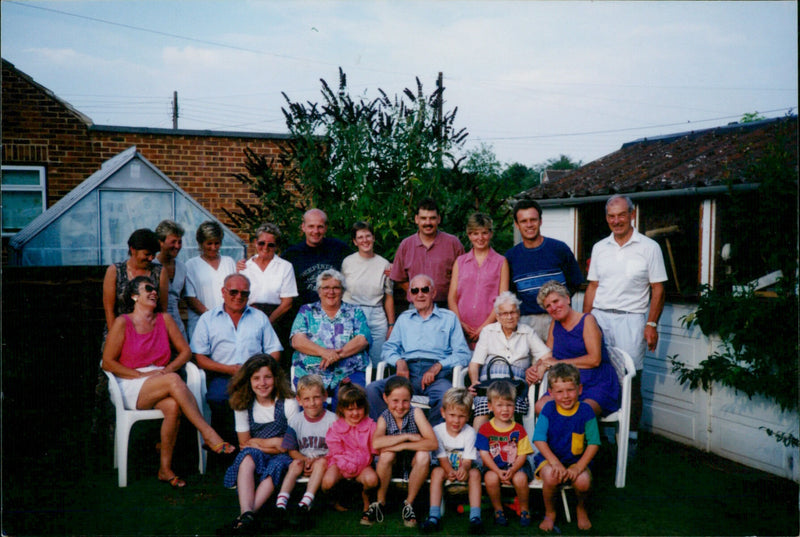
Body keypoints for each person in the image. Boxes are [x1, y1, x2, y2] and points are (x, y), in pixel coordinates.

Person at [101, 276, 235, 488]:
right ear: (135, 296)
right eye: (148, 289)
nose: (154, 292)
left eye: (155, 289)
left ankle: (165, 469)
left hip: (160, 379)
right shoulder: (122, 322)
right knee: (173, 380)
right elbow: (107, 362)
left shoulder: (165, 320)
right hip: (130, 382)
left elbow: (185, 352)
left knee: (172, 406)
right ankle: (208, 434)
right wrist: (140, 376)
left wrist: (166, 370)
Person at [583, 194, 667, 443]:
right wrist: (585, 322)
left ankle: (628, 441)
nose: (616, 220)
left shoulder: (649, 248)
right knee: (597, 376)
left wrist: (651, 324)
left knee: (630, 380)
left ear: (632, 214)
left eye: (621, 215)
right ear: (606, 218)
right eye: (611, 216)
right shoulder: (600, 247)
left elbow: (658, 289)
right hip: (600, 319)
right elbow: (593, 286)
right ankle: (599, 440)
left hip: (632, 321)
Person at [366, 274, 471, 426]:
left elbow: (463, 353)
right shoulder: (404, 318)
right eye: (415, 291)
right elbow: (388, 348)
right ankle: (390, 432)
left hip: (438, 375)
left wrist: (438, 366)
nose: (420, 294)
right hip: (407, 372)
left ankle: (431, 442)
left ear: (433, 293)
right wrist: (399, 362)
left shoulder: (449, 318)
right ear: (410, 295)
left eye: (425, 290)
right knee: (372, 390)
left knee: (446, 398)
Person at [191, 273, 283, 441]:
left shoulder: (259, 317)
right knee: (218, 398)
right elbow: (200, 357)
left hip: (255, 375)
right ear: (223, 292)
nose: (239, 296)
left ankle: (259, 445)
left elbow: (274, 350)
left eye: (244, 293)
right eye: (233, 292)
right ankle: (226, 447)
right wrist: (229, 369)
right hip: (223, 374)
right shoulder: (207, 319)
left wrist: (260, 370)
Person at [221, 354, 298, 535]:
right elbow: (244, 444)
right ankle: (247, 514)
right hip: (257, 454)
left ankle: (245, 519)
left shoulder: (287, 402)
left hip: (285, 456)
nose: (262, 383)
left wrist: (262, 442)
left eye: (267, 377)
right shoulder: (242, 404)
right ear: (248, 380)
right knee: (247, 458)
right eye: (256, 378)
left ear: (276, 378)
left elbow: (289, 444)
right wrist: (274, 444)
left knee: (276, 465)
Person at [533, 280, 620, 418]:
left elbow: (594, 360)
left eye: (556, 301)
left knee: (582, 413)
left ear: (567, 299)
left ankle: (576, 439)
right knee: (541, 407)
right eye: (548, 306)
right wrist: (537, 366)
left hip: (595, 382)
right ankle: (560, 439)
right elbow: (548, 355)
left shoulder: (587, 320)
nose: (553, 307)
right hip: (565, 383)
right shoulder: (555, 323)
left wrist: (559, 363)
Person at [468, 291, 552, 429]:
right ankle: (479, 448)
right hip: (489, 386)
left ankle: (509, 448)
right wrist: (474, 382)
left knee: (508, 407)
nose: (509, 317)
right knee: (483, 407)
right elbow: (475, 363)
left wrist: (539, 367)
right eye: (505, 313)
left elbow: (547, 356)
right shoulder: (488, 331)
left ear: (518, 314)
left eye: (513, 312)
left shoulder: (527, 332)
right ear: (498, 316)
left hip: (515, 388)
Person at [533, 363, 601, 532]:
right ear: (551, 393)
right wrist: (554, 462)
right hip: (550, 460)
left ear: (579, 389)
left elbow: (594, 443)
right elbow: (539, 439)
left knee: (583, 481)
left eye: (570, 390)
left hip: (576, 461)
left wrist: (578, 467)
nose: (565, 396)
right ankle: (550, 513)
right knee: (551, 476)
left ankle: (581, 508)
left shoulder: (586, 411)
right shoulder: (548, 409)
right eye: (559, 391)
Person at [290, 269, 371, 409]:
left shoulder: (355, 311)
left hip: (349, 371)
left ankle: (344, 432)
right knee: (312, 402)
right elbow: (297, 340)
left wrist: (336, 355)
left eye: (336, 288)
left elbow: (362, 339)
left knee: (349, 403)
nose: (331, 292)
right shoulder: (306, 310)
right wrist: (324, 352)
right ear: (319, 291)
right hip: (311, 372)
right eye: (326, 288)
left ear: (343, 290)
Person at [505, 199, 584, 341]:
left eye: (533, 220)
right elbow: (510, 292)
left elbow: (575, 281)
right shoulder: (511, 257)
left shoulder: (559, 249)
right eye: (523, 221)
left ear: (540, 221)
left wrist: (557, 305)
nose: (529, 225)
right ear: (517, 225)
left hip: (559, 318)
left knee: (559, 361)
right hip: (526, 321)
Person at [371, 376, 438, 528]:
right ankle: (380, 502)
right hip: (393, 463)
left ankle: (409, 503)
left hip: (413, 461)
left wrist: (403, 446)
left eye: (405, 401)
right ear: (385, 398)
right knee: (386, 454)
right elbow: (377, 443)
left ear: (411, 399)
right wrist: (406, 437)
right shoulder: (384, 417)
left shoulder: (416, 413)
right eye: (395, 400)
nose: (400, 406)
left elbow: (432, 443)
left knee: (423, 455)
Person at [275, 374, 337, 526]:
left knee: (321, 463)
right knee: (294, 463)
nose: (312, 403)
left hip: (325, 462)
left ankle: (305, 502)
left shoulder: (333, 420)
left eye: (316, 397)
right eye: (307, 399)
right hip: (304, 460)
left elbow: (336, 450)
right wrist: (305, 460)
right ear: (299, 400)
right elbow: (291, 449)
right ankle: (281, 504)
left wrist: (315, 462)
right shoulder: (296, 420)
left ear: (325, 396)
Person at [420, 387, 483, 535]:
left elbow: (468, 460)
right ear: (443, 413)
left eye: (461, 416)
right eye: (452, 415)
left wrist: (463, 469)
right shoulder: (437, 431)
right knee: (436, 472)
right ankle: (434, 516)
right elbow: (442, 458)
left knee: (475, 474)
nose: (456, 420)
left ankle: (475, 518)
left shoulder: (470, 432)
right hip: (443, 467)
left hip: (465, 467)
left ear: (468, 416)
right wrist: (449, 471)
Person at [237, 222, 299, 367]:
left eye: (270, 245)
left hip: (278, 318)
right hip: (250, 317)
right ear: (254, 243)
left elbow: (287, 302)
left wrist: (267, 322)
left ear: (276, 246)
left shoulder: (285, 266)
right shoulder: (245, 267)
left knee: (276, 362)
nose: (265, 248)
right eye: (261, 243)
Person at [476, 380, 535, 528]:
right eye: (500, 405)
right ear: (490, 406)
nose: (505, 409)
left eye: (509, 405)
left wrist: (513, 470)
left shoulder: (519, 429)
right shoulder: (485, 429)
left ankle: (524, 509)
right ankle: (498, 510)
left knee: (521, 479)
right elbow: (484, 454)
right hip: (493, 466)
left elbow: (522, 454)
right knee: (490, 478)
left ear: (514, 406)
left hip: (516, 466)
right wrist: (497, 471)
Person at [448, 212, 509, 348]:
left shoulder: (501, 262)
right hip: (462, 330)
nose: (480, 238)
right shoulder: (460, 262)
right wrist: (460, 323)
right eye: (475, 233)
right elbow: (452, 297)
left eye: (484, 233)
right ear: (469, 235)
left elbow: (503, 299)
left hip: (492, 329)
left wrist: (485, 326)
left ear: (491, 234)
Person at [322, 382, 380, 526]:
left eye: (358, 408)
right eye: (350, 409)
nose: (355, 413)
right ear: (342, 409)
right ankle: (335, 499)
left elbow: (375, 450)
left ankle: (366, 499)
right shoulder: (336, 427)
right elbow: (336, 452)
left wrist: (357, 467)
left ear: (365, 408)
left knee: (372, 480)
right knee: (327, 483)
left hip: (362, 465)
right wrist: (348, 467)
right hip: (340, 465)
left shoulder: (371, 426)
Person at [390, 197, 465, 309]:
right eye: (423, 218)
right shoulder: (406, 245)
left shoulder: (453, 243)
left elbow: (464, 276)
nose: (428, 223)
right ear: (416, 219)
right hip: (416, 306)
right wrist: (419, 293)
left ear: (439, 219)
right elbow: (399, 277)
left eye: (432, 218)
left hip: (447, 306)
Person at [341, 221, 396, 366]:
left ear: (373, 238)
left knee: (378, 361)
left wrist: (391, 325)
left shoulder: (384, 264)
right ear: (354, 241)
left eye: (368, 236)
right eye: (360, 237)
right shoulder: (347, 262)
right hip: (352, 314)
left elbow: (388, 296)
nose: (365, 240)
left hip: (376, 316)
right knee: (351, 360)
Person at [102, 228, 169, 335]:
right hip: (119, 331)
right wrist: (114, 337)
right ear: (133, 249)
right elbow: (109, 311)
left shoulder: (160, 272)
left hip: (150, 332)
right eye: (147, 254)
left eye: (153, 254)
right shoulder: (115, 271)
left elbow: (162, 310)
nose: (151, 258)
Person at [283, 208, 350, 306]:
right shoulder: (291, 255)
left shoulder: (339, 249)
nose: (315, 231)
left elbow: (360, 262)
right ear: (303, 227)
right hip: (303, 313)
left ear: (326, 228)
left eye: (320, 227)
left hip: (334, 311)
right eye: (311, 226)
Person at [185, 221, 237, 339]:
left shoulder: (228, 262)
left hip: (228, 323)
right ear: (201, 243)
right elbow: (190, 298)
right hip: (201, 322)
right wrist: (212, 317)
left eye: (217, 243)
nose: (213, 247)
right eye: (209, 243)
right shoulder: (191, 265)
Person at [154, 220, 188, 339]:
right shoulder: (152, 266)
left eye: (179, 242)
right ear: (161, 242)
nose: (177, 246)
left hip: (177, 327)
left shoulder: (182, 267)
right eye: (173, 242)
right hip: (155, 327)